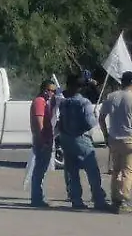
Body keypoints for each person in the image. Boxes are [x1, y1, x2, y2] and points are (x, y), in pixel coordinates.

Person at [57, 74, 108, 210]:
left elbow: (60, 122)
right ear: (80, 87)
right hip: (81, 138)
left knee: (71, 171)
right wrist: (96, 117)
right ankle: (98, 199)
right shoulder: (83, 102)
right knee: (92, 170)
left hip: (66, 138)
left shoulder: (64, 102)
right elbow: (90, 123)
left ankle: (76, 199)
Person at [99, 71, 132, 214]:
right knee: (127, 170)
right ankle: (124, 201)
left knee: (115, 170)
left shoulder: (111, 96)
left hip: (113, 139)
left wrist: (106, 135)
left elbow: (101, 117)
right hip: (129, 138)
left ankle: (115, 200)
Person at [28, 79, 57, 208]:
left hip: (45, 139)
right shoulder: (40, 102)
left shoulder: (45, 102)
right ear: (44, 89)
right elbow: (39, 123)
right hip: (42, 140)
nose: (52, 93)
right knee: (39, 170)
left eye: (54, 91)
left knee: (41, 170)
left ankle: (37, 196)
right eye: (51, 90)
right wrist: (43, 140)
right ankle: (36, 198)